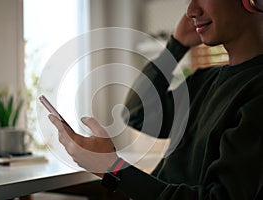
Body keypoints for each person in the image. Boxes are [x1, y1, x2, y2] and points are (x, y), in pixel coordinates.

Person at [48, 0, 263, 199]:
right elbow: (136, 113)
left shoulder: (257, 91)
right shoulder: (204, 81)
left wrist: (112, 168)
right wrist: (176, 46)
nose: (191, 11)